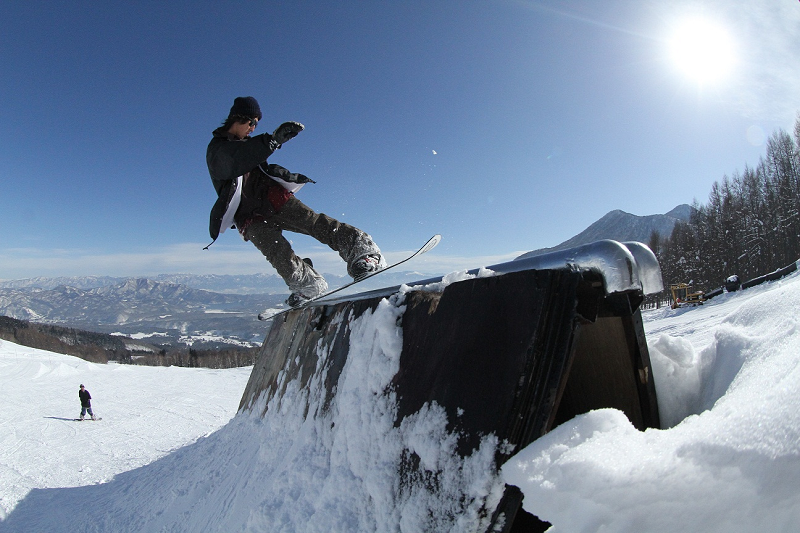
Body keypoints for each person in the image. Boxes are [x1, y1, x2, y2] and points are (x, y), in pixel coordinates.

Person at [206, 96, 386, 307]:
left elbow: (251, 157)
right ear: (238, 118)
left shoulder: (249, 146)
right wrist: (271, 141)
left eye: (257, 124)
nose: (253, 128)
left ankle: (363, 251)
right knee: (278, 254)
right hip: (248, 215)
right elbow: (232, 162)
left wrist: (271, 149)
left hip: (272, 198)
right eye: (251, 122)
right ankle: (308, 284)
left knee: (314, 224)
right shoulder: (218, 149)